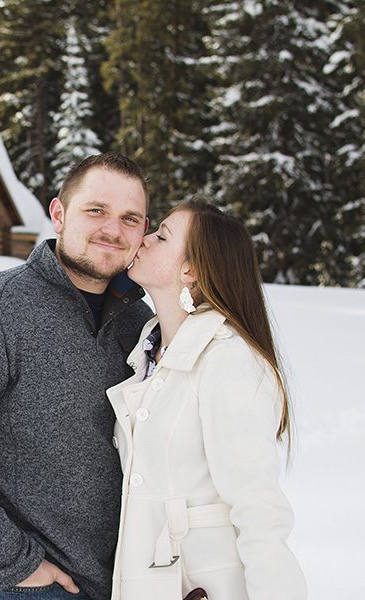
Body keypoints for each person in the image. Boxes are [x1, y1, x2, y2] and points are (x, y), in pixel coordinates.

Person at [0, 153, 154, 600]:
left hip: (121, 582)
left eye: (129, 218)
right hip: (24, 586)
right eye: (96, 210)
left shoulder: (140, 322)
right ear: (58, 214)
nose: (112, 230)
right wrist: (15, 563)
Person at [108, 199, 307, 600]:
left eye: (161, 236)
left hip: (206, 586)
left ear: (191, 270)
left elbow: (258, 509)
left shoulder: (228, 358)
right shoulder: (147, 353)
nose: (143, 240)